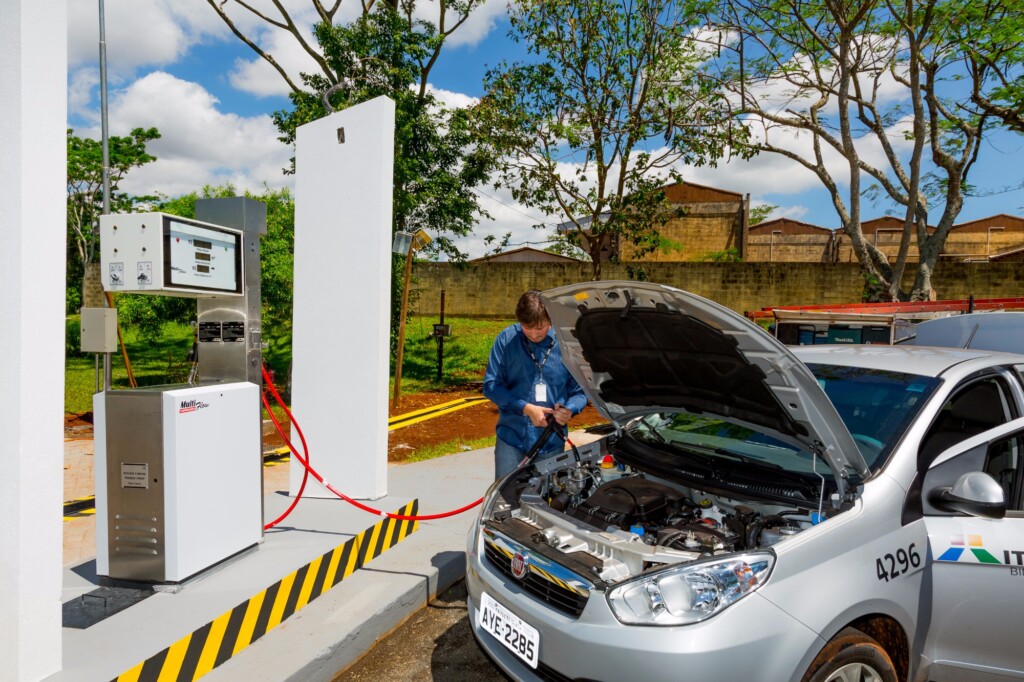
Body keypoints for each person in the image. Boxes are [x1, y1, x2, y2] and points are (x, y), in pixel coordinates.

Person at [483, 290, 588, 479]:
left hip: (551, 443)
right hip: (511, 439)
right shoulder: (506, 340)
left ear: (551, 319)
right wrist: (526, 409)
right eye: (526, 327)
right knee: (506, 501)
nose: (533, 334)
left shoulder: (567, 344)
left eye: (540, 327)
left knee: (548, 502)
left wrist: (569, 410)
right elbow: (491, 386)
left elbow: (580, 392)